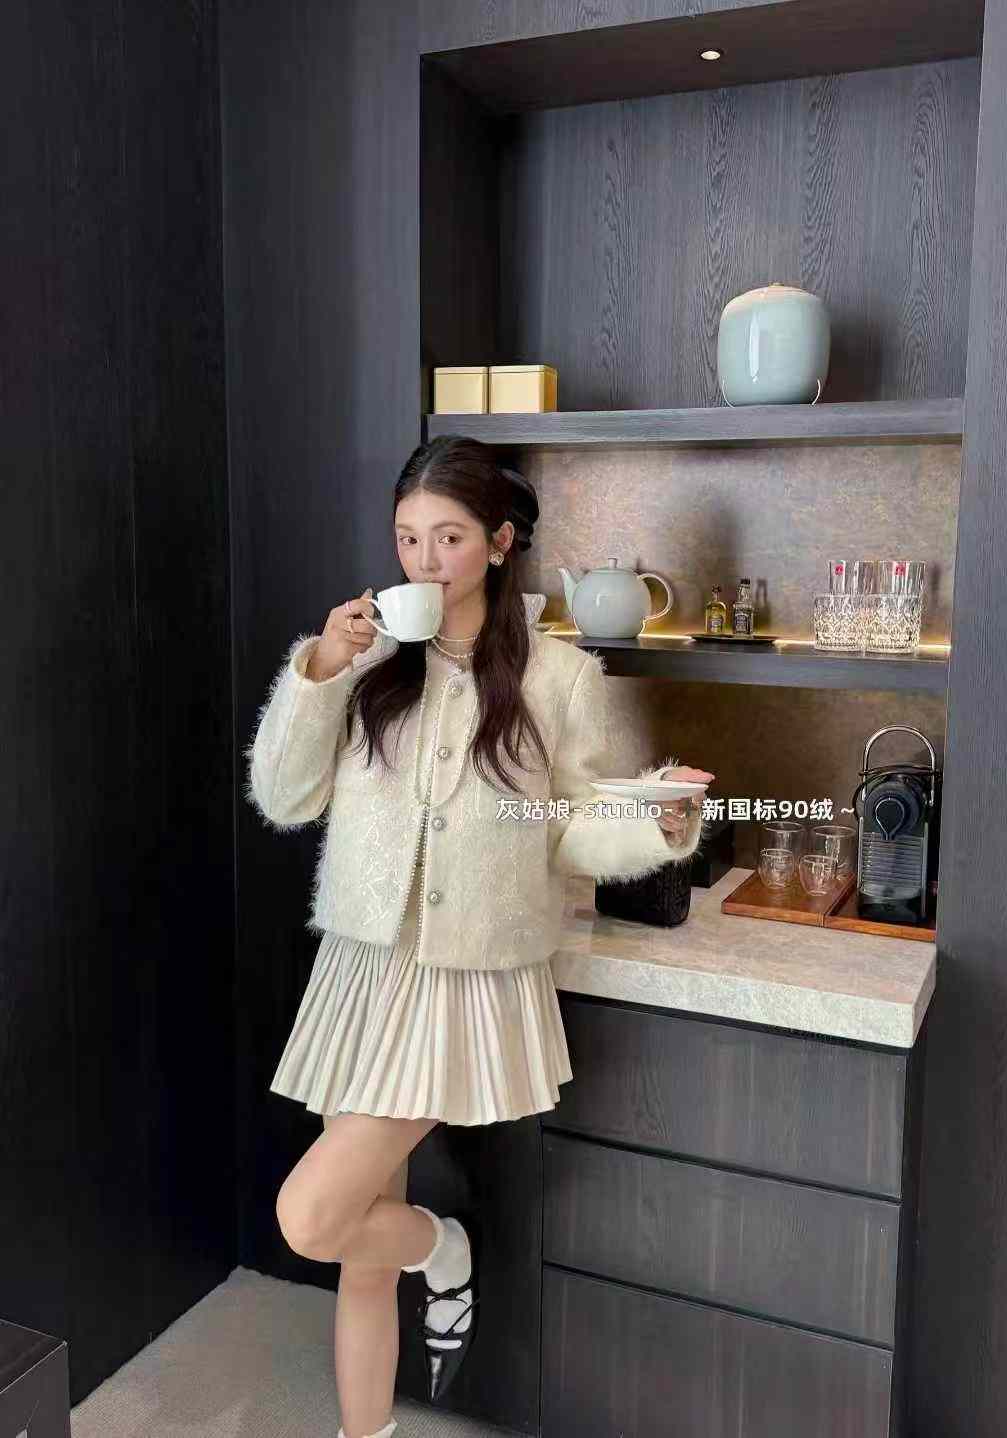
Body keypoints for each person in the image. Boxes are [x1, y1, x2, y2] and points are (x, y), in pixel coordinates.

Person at [244, 435, 713, 1438]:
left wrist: (657, 821)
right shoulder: (367, 661)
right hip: (363, 968)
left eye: (449, 537)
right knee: (356, 1257)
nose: (425, 560)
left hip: (463, 979)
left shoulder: (559, 676)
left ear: (500, 543)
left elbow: (568, 828)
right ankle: (370, 1420)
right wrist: (321, 669)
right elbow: (282, 797)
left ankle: (441, 1247)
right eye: (408, 536)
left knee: (311, 1217)